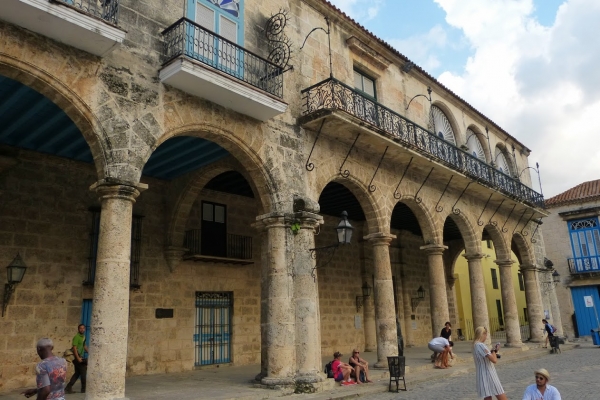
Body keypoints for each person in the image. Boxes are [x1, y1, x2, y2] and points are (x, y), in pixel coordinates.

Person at [472, 326, 507, 400]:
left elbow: (486, 357)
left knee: (487, 397)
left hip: (482, 375)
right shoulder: (481, 345)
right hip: (489, 374)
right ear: (483, 334)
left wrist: (493, 351)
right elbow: (494, 360)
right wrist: (494, 350)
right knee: (502, 397)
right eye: (486, 334)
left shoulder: (475, 345)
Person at [65, 324, 88, 394]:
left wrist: (90, 353)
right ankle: (83, 389)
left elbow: (84, 346)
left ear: (85, 329)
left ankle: (68, 387)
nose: (82, 329)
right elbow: (74, 348)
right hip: (76, 357)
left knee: (77, 373)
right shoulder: (76, 337)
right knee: (83, 372)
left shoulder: (83, 337)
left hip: (80, 356)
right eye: (80, 328)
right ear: (78, 329)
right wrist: (78, 358)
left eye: (83, 328)